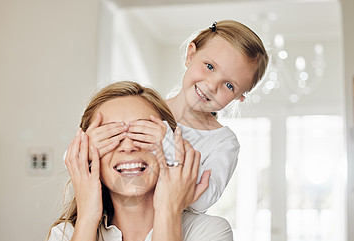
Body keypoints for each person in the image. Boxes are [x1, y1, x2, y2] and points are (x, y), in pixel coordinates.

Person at [40, 81, 234, 241]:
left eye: (143, 133)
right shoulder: (64, 238)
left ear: (171, 152)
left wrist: (168, 209)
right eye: (111, 137)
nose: (129, 146)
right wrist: (86, 217)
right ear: (88, 158)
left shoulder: (208, 234)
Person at [85, 20, 269, 212]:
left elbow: (202, 200)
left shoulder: (223, 142)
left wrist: (167, 144)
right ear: (190, 54)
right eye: (210, 66)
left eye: (229, 85)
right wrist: (88, 149)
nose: (212, 85)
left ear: (239, 98)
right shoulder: (144, 108)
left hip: (173, 235)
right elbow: (78, 160)